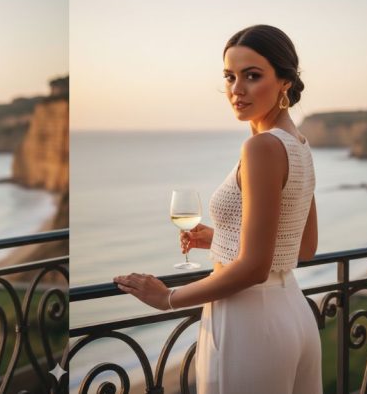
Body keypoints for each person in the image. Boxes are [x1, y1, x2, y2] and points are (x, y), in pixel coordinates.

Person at [113, 24, 321, 394]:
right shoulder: (298, 143)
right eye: (230, 77)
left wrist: (168, 298)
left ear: (284, 82)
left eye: (252, 76)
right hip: (294, 314)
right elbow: (301, 248)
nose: (237, 90)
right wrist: (221, 237)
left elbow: (256, 269)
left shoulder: (261, 149)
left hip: (249, 322)